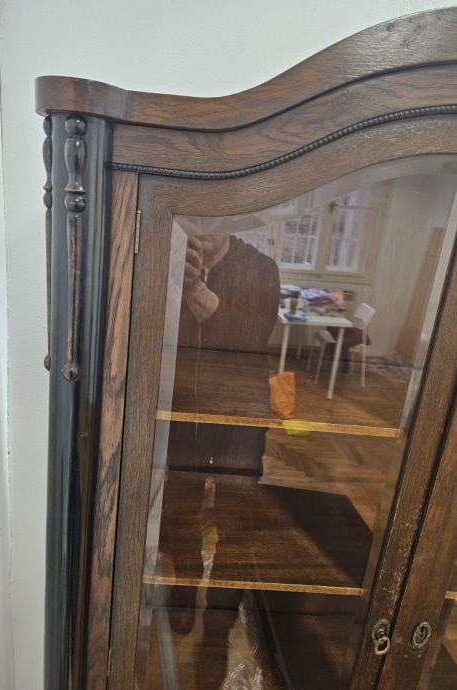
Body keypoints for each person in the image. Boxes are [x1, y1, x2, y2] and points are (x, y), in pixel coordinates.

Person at [160, 231, 280, 689]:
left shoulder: (261, 269)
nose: (203, 227)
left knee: (237, 524)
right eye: (196, 217)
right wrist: (177, 281)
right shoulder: (169, 259)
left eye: (214, 217)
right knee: (180, 507)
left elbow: (253, 339)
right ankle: (185, 587)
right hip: (183, 411)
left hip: (239, 416)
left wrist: (198, 292)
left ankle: (217, 631)